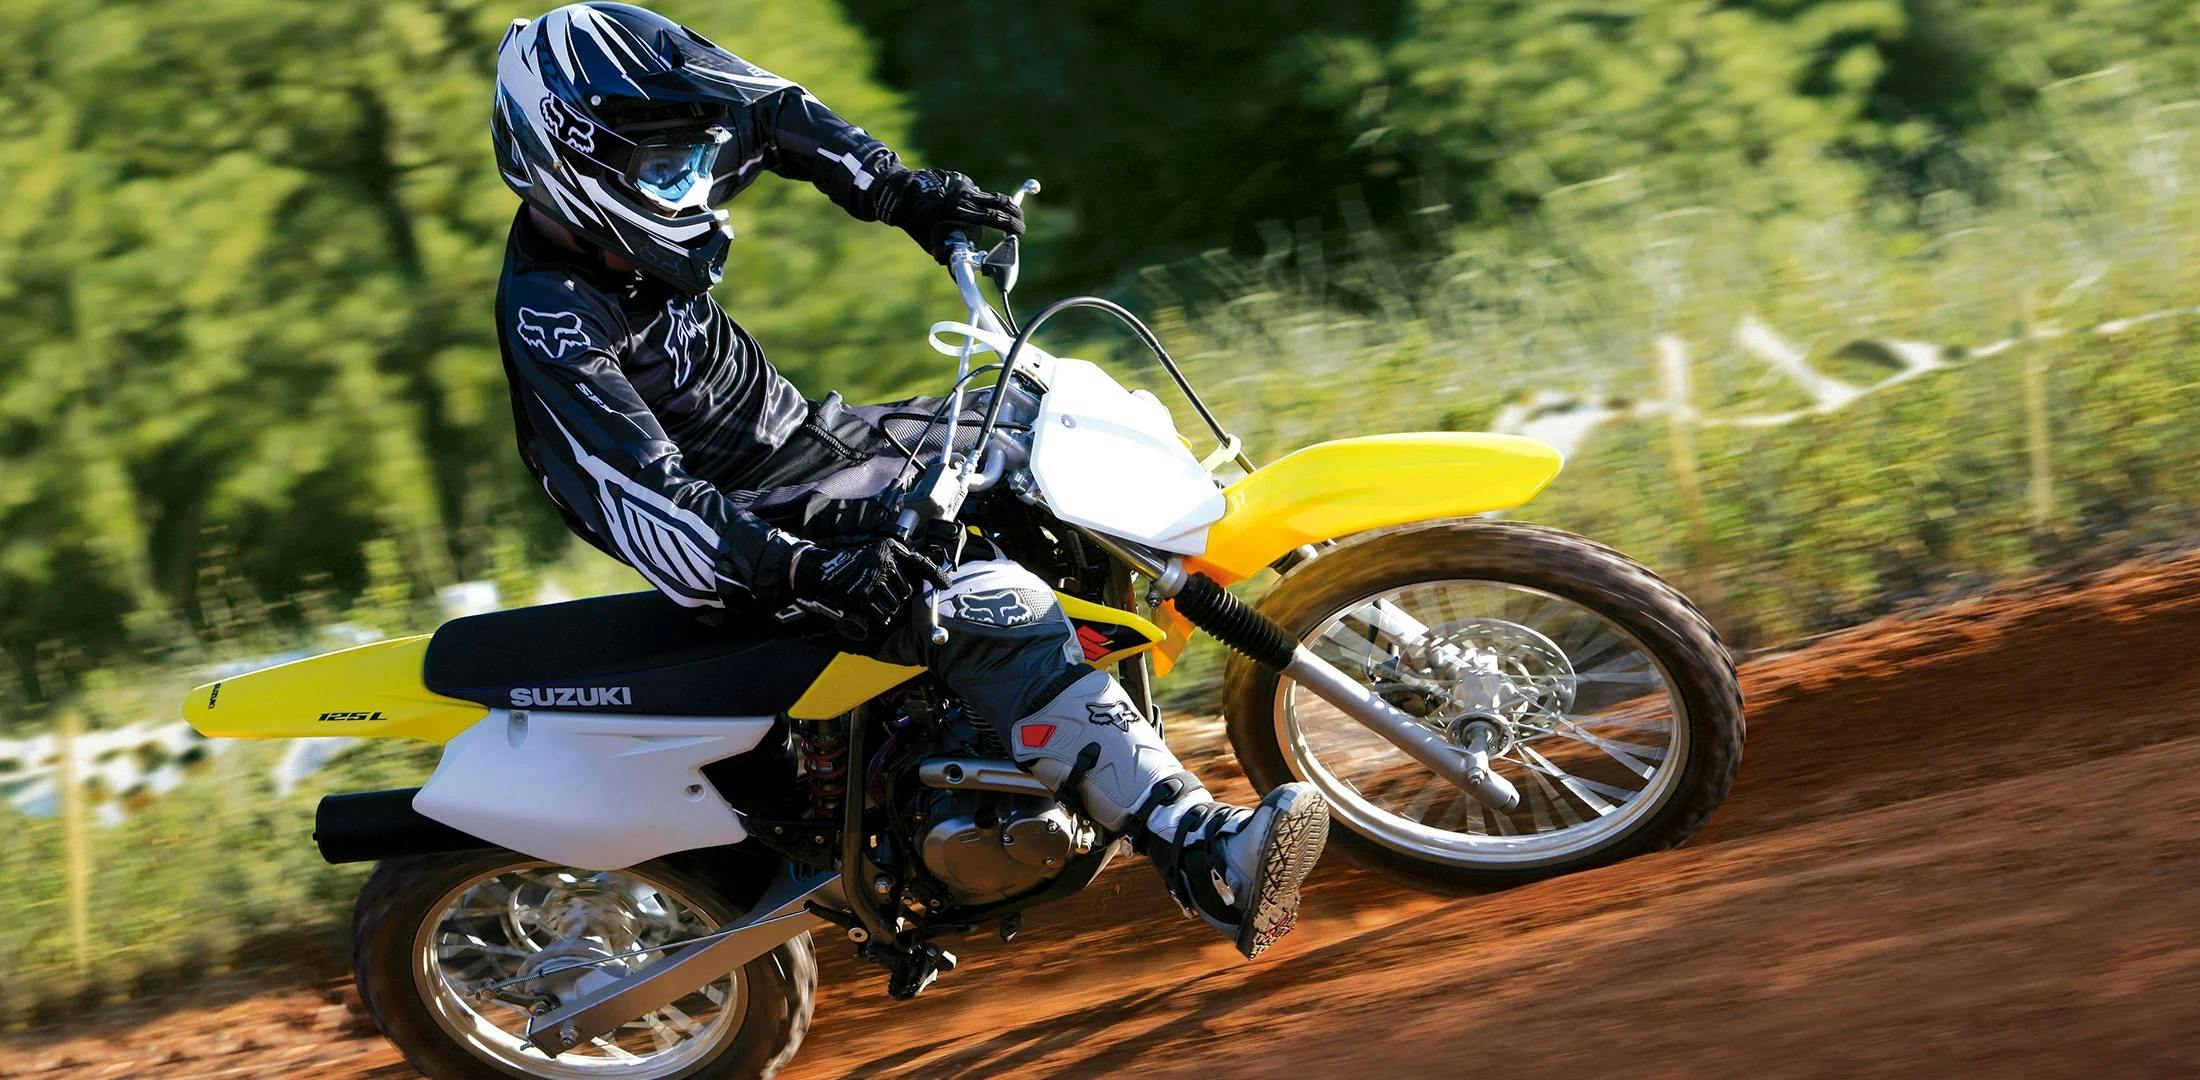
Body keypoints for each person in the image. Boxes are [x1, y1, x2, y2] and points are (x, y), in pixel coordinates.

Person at [489, 2, 1326, 959]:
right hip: (755, 536)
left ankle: (1061, 714)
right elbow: (649, 500)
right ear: (575, 167)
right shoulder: (555, 319)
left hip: (814, 441)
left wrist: (904, 194)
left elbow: (770, 113)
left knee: (1039, 429)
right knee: (993, 606)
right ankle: (1198, 853)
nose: (694, 189)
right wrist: (805, 572)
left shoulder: (634, 166)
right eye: (670, 170)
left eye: (696, 158)